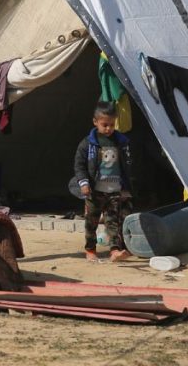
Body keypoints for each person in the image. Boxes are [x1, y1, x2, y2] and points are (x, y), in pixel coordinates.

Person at [72, 101, 133, 262]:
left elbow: (127, 166)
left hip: (114, 190)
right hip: (94, 191)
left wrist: (126, 187)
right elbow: (79, 165)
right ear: (95, 122)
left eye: (112, 125)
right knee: (91, 222)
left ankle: (114, 250)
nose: (108, 128)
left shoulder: (121, 142)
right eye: (104, 125)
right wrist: (84, 183)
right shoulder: (88, 143)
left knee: (113, 222)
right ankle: (90, 250)